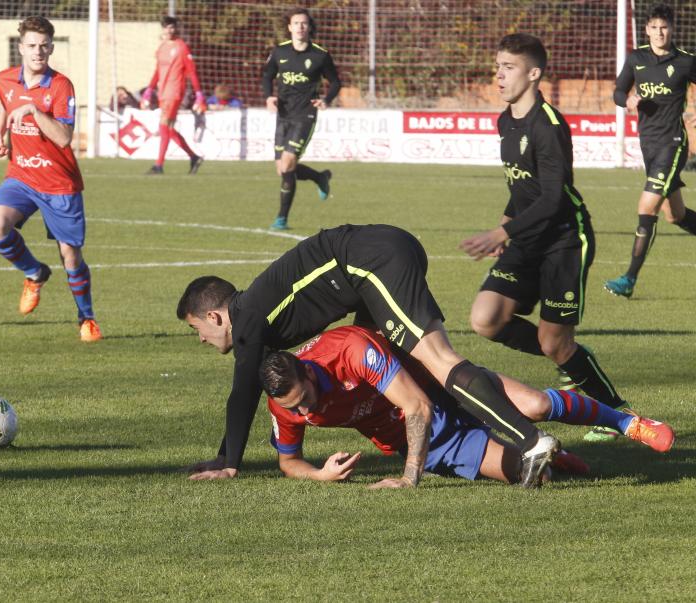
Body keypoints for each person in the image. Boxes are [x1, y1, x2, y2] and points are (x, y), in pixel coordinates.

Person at [178, 224, 565, 489]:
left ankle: (531, 441)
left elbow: (242, 392)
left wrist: (229, 463)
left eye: (197, 329)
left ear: (214, 317)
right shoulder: (255, 319)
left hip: (369, 261)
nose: (200, 339)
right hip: (376, 259)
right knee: (410, 361)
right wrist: (226, 455)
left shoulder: (245, 321)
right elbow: (259, 391)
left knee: (438, 358)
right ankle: (514, 441)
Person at [459, 33, 626, 442]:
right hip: (527, 239)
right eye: (497, 66)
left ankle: (614, 412)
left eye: (509, 67)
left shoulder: (549, 126)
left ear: (533, 74)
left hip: (565, 240)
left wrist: (502, 230)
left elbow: (553, 198)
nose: (499, 75)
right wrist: (506, 225)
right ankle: (571, 362)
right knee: (485, 320)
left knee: (554, 342)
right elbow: (522, 189)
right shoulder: (505, 120)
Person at [259, 326, 672, 486]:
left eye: (306, 401)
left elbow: (417, 406)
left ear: (310, 373)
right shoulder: (286, 404)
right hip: (430, 441)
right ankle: (556, 457)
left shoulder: (350, 349)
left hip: (440, 388)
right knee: (534, 480)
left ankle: (626, 422)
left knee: (533, 404)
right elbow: (288, 460)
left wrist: (408, 478)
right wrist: (320, 475)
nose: (305, 414)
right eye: (295, 410)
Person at [0, 16, 101, 343]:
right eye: (32, 46)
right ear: (20, 47)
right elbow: (5, 105)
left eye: (44, 46)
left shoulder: (61, 86)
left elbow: (64, 137)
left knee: (71, 256)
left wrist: (35, 112)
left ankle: (87, 319)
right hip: (21, 175)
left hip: (59, 183)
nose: (38, 52)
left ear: (51, 47)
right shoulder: (4, 79)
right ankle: (35, 273)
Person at [604, 3, 696, 298]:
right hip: (649, 146)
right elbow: (618, 91)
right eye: (654, 27)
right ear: (647, 30)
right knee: (675, 215)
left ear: (672, 29)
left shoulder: (685, 61)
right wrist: (627, 100)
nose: (659, 32)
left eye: (664, 27)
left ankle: (629, 279)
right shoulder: (636, 58)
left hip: (673, 144)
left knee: (646, 208)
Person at [262, 8, 340, 230]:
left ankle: (281, 219)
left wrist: (326, 100)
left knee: (287, 164)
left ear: (309, 27)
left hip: (305, 114)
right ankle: (319, 177)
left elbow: (335, 82)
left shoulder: (320, 55)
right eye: (296, 23)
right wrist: (269, 97)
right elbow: (267, 75)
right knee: (283, 170)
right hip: (283, 114)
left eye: (304, 23)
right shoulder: (279, 52)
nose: (300, 27)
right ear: (289, 27)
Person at [141, 15, 205, 175]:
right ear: (162, 29)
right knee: (168, 128)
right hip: (162, 92)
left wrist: (199, 94)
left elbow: (191, 71)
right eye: (166, 27)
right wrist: (149, 90)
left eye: (172, 27)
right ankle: (194, 157)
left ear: (176, 29)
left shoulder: (181, 47)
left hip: (174, 91)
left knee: (163, 126)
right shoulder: (161, 47)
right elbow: (158, 71)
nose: (169, 30)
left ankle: (159, 165)